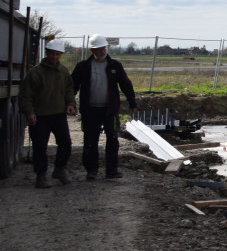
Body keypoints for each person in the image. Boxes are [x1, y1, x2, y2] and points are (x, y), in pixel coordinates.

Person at [72, 35, 138, 180]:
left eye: (103, 48)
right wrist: (70, 103)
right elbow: (72, 87)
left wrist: (132, 102)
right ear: (91, 50)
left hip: (110, 110)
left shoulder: (115, 66)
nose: (102, 51)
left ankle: (111, 171)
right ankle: (91, 170)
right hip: (90, 111)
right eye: (98, 48)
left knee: (113, 139)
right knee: (90, 140)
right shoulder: (83, 67)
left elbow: (126, 84)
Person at [18, 39, 76, 188]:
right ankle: (41, 175)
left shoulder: (63, 71)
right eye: (52, 54)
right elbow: (26, 95)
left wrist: (70, 104)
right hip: (40, 116)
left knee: (65, 143)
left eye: (57, 54)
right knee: (39, 147)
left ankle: (59, 169)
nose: (54, 57)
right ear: (47, 53)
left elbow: (69, 89)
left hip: (58, 115)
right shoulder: (35, 73)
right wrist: (29, 113)